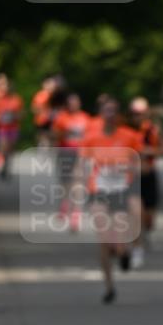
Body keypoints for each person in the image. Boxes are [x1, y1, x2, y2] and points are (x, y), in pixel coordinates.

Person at [77, 98, 142, 303]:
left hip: (121, 191)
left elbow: (138, 163)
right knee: (104, 240)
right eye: (107, 111)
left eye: (114, 111)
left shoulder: (129, 136)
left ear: (118, 115)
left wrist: (128, 169)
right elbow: (82, 164)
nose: (110, 114)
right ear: (100, 113)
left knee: (120, 237)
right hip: (99, 191)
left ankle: (124, 253)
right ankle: (109, 286)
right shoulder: (91, 137)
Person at [125, 96, 163, 266]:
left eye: (141, 113)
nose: (137, 117)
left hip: (149, 176)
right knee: (136, 212)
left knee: (149, 218)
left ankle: (145, 233)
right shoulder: (124, 130)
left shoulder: (153, 130)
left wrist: (148, 151)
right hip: (131, 177)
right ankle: (136, 244)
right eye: (135, 113)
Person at [51, 93, 92, 230]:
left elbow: (91, 136)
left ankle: (76, 214)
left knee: (79, 181)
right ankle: (65, 204)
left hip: (81, 153)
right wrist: (66, 133)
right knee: (66, 182)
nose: (73, 105)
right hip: (65, 151)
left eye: (76, 102)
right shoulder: (62, 117)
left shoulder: (85, 117)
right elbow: (54, 135)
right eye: (71, 103)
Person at [0, 74, 23, 178]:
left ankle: (7, 166)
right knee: (2, 146)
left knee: (10, 149)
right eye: (1, 83)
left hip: (13, 127)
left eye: (5, 83)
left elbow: (20, 113)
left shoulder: (15, 98)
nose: (4, 86)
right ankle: (0, 165)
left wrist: (14, 116)